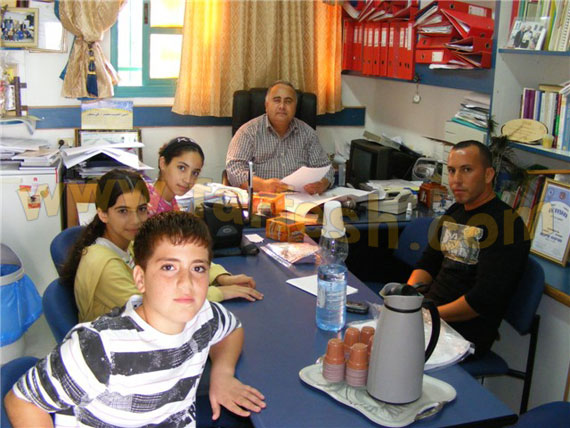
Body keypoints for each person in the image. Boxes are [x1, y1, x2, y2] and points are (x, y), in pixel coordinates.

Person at [5, 211, 266, 427]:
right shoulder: (99, 347)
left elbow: (231, 329)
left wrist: (222, 373)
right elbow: (22, 401)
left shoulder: (203, 315)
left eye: (198, 268)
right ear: (140, 279)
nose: (186, 283)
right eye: (168, 267)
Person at [407, 140, 530, 358]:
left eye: (466, 170)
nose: (456, 179)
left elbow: (481, 301)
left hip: (462, 335)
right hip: (430, 317)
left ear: (488, 175)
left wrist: (427, 315)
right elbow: (428, 263)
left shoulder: (507, 225)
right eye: (452, 171)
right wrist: (407, 297)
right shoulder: (456, 211)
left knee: (389, 355)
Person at [147, 136, 262, 304]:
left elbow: (185, 251)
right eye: (181, 168)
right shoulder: (144, 207)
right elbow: (158, 286)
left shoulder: (170, 203)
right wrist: (216, 292)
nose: (188, 180)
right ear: (163, 163)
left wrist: (220, 277)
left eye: (195, 173)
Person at [225, 80, 334, 194]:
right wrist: (263, 185)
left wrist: (321, 184)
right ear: (266, 105)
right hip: (263, 199)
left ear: (295, 107)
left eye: (288, 101)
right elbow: (234, 170)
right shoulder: (248, 132)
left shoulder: (308, 134)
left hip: (301, 199)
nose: (282, 106)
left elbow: (326, 169)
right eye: (277, 100)